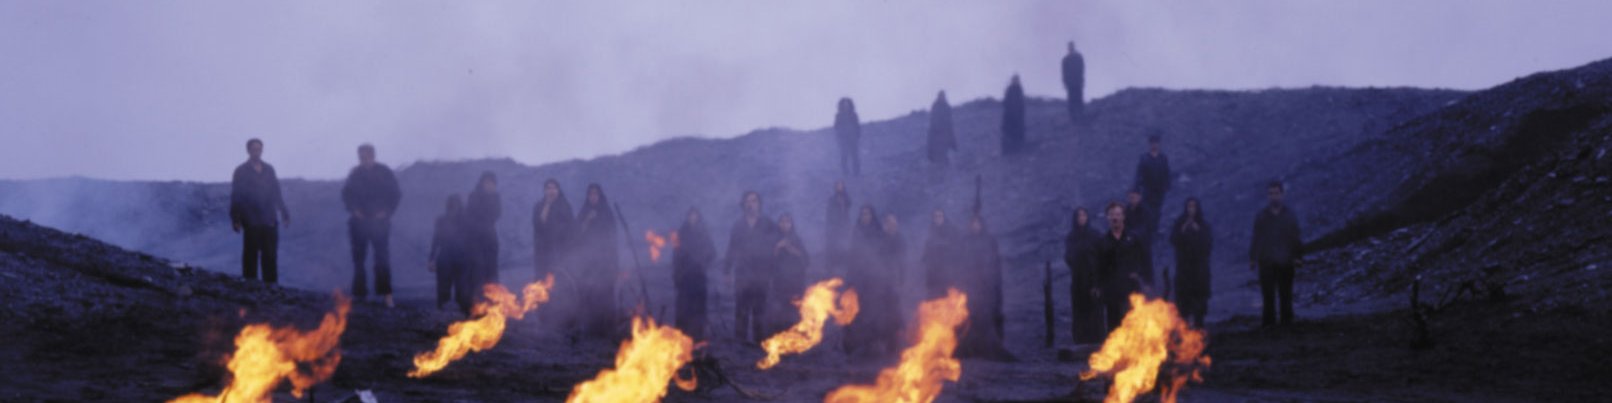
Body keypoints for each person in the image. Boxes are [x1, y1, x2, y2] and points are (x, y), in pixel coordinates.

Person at [342, 144, 402, 307]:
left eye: (366, 155)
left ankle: (386, 294)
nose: (364, 159)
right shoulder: (355, 174)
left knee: (382, 258)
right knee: (359, 260)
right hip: (359, 223)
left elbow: (395, 194)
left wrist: (387, 211)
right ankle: (360, 294)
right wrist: (354, 210)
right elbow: (346, 195)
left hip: (379, 223)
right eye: (361, 156)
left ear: (373, 155)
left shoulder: (384, 172)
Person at [229, 138, 290, 285]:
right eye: (254, 149)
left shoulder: (269, 170)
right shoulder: (241, 171)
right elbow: (236, 195)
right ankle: (250, 287)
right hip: (251, 219)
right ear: (248, 150)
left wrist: (284, 212)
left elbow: (276, 192)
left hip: (269, 218)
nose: (256, 152)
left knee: (270, 255)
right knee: (250, 255)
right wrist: (236, 219)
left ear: (262, 150)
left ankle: (271, 288)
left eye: (259, 149)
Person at [843, 205, 901, 357]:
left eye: (867, 214)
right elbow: (852, 259)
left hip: (879, 281)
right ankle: (865, 347)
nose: (865, 216)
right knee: (862, 313)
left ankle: (886, 347)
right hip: (861, 280)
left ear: (872, 216)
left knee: (881, 312)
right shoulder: (857, 234)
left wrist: (890, 277)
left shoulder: (879, 234)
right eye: (862, 214)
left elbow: (889, 256)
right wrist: (850, 282)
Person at [725, 191, 779, 342]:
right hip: (742, 274)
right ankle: (740, 344)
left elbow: (780, 238)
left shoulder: (768, 224)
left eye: (754, 201)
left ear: (759, 204)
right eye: (748, 201)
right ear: (743, 205)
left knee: (760, 310)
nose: (751, 204)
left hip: (762, 274)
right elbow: (731, 248)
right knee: (741, 310)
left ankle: (759, 344)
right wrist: (727, 271)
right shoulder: (738, 226)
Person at [958, 214, 1012, 360]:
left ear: (981, 225)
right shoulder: (966, 242)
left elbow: (995, 263)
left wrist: (992, 282)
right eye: (972, 223)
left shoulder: (989, 241)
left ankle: (989, 346)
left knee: (988, 315)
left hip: (986, 285)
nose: (975, 226)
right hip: (971, 285)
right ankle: (971, 347)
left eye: (977, 223)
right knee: (970, 316)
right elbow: (961, 264)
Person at [1250, 182, 1302, 327]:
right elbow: (1256, 237)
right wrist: (1252, 258)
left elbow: (1295, 237)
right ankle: (1269, 324)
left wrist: (1297, 256)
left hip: (1285, 260)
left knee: (1286, 293)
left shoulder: (1289, 215)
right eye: (1271, 193)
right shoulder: (1262, 216)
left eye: (1276, 193)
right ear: (1268, 196)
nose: (1273, 196)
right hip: (1266, 260)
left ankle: (1287, 322)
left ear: (1282, 194)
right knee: (1268, 294)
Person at [575, 183, 620, 338]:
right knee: (589, 294)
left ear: (600, 196)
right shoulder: (584, 213)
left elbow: (611, 239)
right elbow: (577, 235)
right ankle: (591, 330)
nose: (593, 197)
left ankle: (607, 330)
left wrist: (612, 264)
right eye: (590, 194)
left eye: (596, 194)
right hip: (588, 262)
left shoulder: (607, 214)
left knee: (605, 294)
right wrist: (587, 221)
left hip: (605, 262)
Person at [1097, 202, 1145, 330]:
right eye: (1111, 214)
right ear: (1107, 218)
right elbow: (1098, 267)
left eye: (1118, 214)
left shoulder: (1133, 238)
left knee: (1132, 325)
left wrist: (1138, 273)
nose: (1115, 217)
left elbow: (1143, 259)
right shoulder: (1102, 241)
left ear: (1123, 216)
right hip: (1111, 291)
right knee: (1114, 328)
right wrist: (1099, 286)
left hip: (1130, 289)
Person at [672, 207, 717, 340]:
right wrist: (676, 276)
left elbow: (712, 253)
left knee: (699, 310)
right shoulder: (681, 233)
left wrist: (703, 262)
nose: (693, 218)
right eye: (691, 215)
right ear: (687, 217)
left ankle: (698, 338)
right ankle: (681, 337)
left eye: (695, 215)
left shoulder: (704, 234)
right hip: (684, 278)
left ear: (699, 217)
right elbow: (675, 256)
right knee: (683, 309)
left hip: (699, 278)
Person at [1064, 207, 1105, 344]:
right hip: (1078, 279)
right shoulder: (1071, 237)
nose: (1081, 218)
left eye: (1084, 215)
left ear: (1087, 217)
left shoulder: (1095, 235)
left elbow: (1102, 255)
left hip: (1094, 278)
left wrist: (1097, 278)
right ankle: (1080, 340)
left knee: (1095, 309)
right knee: (1079, 309)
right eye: (1079, 216)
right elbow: (1068, 256)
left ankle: (1097, 340)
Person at [1171, 198, 1213, 328]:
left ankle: (1199, 329)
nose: (1191, 210)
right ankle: (1185, 331)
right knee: (1183, 302)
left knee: (1199, 302)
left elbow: (1208, 245)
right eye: (1189, 207)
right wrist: (1183, 230)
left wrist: (1198, 231)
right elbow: (1173, 240)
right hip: (1184, 270)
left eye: (1194, 207)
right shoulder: (1179, 223)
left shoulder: (1203, 224)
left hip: (1199, 270)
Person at [428, 194, 472, 315]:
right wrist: (431, 259)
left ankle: (463, 316)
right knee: (444, 289)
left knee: (462, 290)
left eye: (456, 205)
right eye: (452, 205)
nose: (454, 208)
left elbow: (471, 241)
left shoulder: (466, 222)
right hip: (446, 258)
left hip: (461, 258)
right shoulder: (442, 221)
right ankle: (443, 314)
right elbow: (436, 239)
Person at [770, 213, 810, 335]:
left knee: (794, 313)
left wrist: (792, 250)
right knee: (779, 314)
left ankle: (795, 342)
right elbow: (769, 263)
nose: (785, 224)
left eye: (787, 222)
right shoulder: (773, 239)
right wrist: (777, 248)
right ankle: (778, 342)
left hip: (795, 284)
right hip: (779, 285)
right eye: (782, 221)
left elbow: (806, 261)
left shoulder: (797, 240)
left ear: (791, 224)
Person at [464, 172, 502, 294]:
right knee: (477, 269)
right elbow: (471, 215)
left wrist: (485, 216)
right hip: (475, 240)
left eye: (492, 183)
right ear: (482, 183)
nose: (490, 185)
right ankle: (477, 302)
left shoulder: (496, 197)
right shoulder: (473, 196)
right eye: (487, 182)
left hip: (490, 239)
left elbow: (496, 214)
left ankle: (493, 301)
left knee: (492, 269)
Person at [532, 179, 575, 282]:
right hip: (543, 249)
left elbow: (570, 227)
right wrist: (548, 205)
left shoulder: (565, 206)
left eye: (554, 188)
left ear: (558, 190)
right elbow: (538, 224)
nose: (551, 191)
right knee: (543, 277)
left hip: (561, 249)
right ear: (544, 191)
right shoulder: (539, 206)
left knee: (559, 277)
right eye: (549, 188)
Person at [1134, 134, 1171, 232]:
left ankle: (1155, 230)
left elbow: (1167, 172)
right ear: (1149, 144)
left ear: (1159, 144)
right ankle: (1148, 230)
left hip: (1159, 190)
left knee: (1157, 211)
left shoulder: (1163, 158)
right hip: (1147, 190)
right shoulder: (1144, 158)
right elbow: (1139, 173)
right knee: (1147, 211)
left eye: (1156, 143)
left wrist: (1167, 185)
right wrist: (1137, 188)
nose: (1154, 145)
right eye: (1152, 143)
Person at [920, 209, 959, 299]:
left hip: (947, 271)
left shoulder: (951, 230)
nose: (937, 218)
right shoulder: (930, 231)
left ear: (944, 217)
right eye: (935, 216)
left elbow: (956, 249)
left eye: (940, 216)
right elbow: (926, 250)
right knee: (933, 296)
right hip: (933, 271)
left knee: (947, 295)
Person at [1124, 189, 1156, 288]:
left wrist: (1135, 234)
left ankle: (1148, 286)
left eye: (1134, 197)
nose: (1132, 199)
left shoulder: (1145, 211)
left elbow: (1146, 226)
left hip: (1143, 244)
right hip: (1129, 246)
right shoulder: (1126, 211)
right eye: (1130, 197)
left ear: (1139, 197)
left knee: (1145, 267)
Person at [825, 181, 853, 275]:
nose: (839, 187)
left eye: (841, 186)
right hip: (835, 225)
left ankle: (844, 263)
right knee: (835, 243)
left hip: (845, 224)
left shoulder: (846, 198)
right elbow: (829, 212)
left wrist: (843, 203)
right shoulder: (832, 199)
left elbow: (849, 205)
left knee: (845, 243)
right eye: (837, 186)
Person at [927, 91, 957, 166]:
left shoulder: (946, 107)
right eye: (941, 96)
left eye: (943, 96)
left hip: (944, 136)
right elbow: (933, 123)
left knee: (945, 156)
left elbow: (950, 124)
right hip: (937, 136)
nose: (942, 98)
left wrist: (953, 143)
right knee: (938, 156)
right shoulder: (936, 107)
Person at [834, 98, 862, 176]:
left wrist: (857, 135)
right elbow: (836, 126)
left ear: (850, 105)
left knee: (855, 155)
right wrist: (839, 136)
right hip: (843, 139)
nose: (846, 106)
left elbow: (857, 126)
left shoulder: (853, 115)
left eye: (847, 104)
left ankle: (856, 172)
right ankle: (845, 172)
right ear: (841, 106)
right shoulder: (839, 116)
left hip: (853, 138)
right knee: (844, 155)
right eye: (844, 105)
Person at [1000, 75, 1027, 155]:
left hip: (1018, 115)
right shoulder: (1009, 90)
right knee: (1009, 132)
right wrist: (1009, 111)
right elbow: (1006, 102)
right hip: (1010, 115)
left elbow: (1021, 102)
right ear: (1012, 81)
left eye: (1017, 80)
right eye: (1014, 80)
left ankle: (1018, 148)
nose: (1016, 81)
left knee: (1018, 132)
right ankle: (1008, 150)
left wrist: (1021, 111)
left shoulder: (1019, 89)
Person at [1061, 41, 1086, 124]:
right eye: (1069, 47)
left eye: (1071, 46)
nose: (1070, 48)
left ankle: (1080, 117)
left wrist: (1082, 80)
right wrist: (1064, 82)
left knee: (1078, 99)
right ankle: (1073, 118)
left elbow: (1082, 69)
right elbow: (1064, 72)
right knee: (1071, 100)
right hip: (1071, 83)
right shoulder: (1065, 60)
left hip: (1077, 82)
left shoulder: (1078, 57)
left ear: (1073, 47)